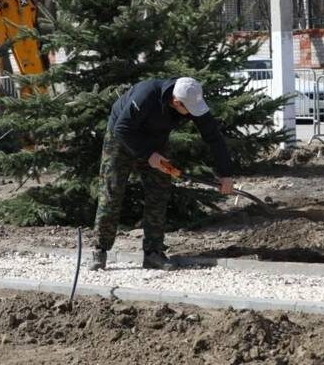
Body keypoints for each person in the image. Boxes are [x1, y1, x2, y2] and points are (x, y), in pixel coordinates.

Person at [87, 77, 234, 271]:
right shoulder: (146, 95)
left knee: (159, 192)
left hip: (156, 140)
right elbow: (122, 128)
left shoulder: (190, 101)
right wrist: (147, 154)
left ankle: (153, 253)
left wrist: (226, 174)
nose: (193, 114)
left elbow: (214, 137)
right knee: (112, 192)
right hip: (121, 138)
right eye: (188, 109)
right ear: (176, 102)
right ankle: (100, 250)